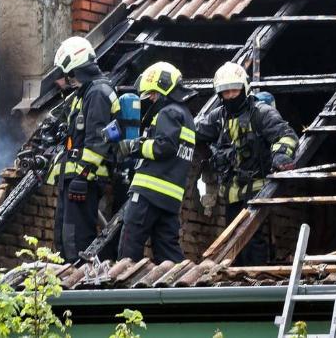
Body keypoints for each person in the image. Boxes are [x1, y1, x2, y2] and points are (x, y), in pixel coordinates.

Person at [196, 62, 298, 265]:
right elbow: (194, 132)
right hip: (231, 193)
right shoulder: (219, 117)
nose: (231, 96)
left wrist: (281, 156)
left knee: (254, 240)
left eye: (234, 90)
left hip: (257, 190)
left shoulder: (261, 113)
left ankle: (255, 280)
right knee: (233, 242)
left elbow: (287, 136)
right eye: (226, 92)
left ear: (244, 87)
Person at [45, 36, 119, 261]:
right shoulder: (84, 94)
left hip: (84, 180)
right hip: (76, 179)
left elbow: (98, 142)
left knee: (77, 239)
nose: (66, 79)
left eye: (67, 73)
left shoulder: (97, 92)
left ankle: (81, 284)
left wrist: (83, 175)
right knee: (65, 238)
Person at [116, 62, 197, 263]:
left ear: (164, 88)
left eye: (153, 92)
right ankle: (177, 287)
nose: (150, 98)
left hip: (148, 193)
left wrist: (134, 146)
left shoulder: (168, 112)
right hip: (170, 198)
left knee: (130, 241)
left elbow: (164, 147)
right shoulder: (187, 116)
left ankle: (122, 287)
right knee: (167, 250)